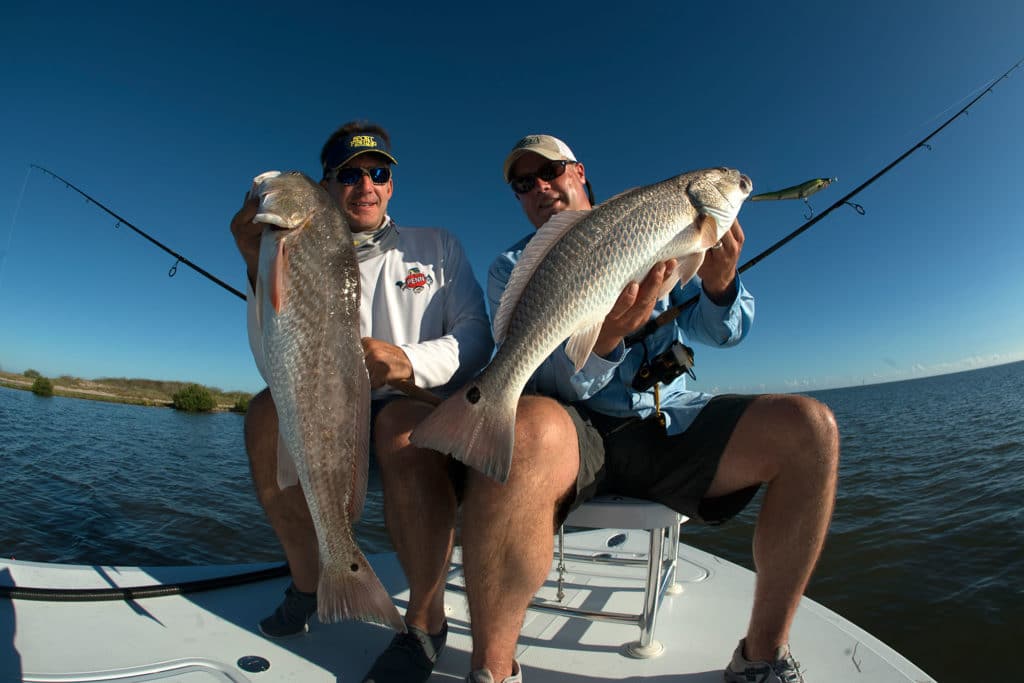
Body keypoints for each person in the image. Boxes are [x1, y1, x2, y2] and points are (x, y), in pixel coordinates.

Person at [454, 134, 840, 683]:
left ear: (580, 172)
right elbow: (545, 377)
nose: (540, 186)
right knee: (528, 425)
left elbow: (724, 334)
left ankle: (761, 659)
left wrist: (721, 280)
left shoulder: (670, 231)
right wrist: (607, 339)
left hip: (662, 417)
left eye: (552, 171)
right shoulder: (513, 266)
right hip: (573, 430)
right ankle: (491, 672)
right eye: (523, 182)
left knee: (810, 428)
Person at [229, 121, 493, 667]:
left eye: (377, 172)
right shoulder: (290, 246)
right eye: (348, 174)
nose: (365, 185)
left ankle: (425, 622)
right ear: (327, 187)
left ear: (392, 184)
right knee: (263, 412)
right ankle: (311, 581)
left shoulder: (437, 247)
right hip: (327, 418)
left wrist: (408, 362)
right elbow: (271, 358)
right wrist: (256, 266)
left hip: (416, 412)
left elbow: (477, 339)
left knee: (398, 424)